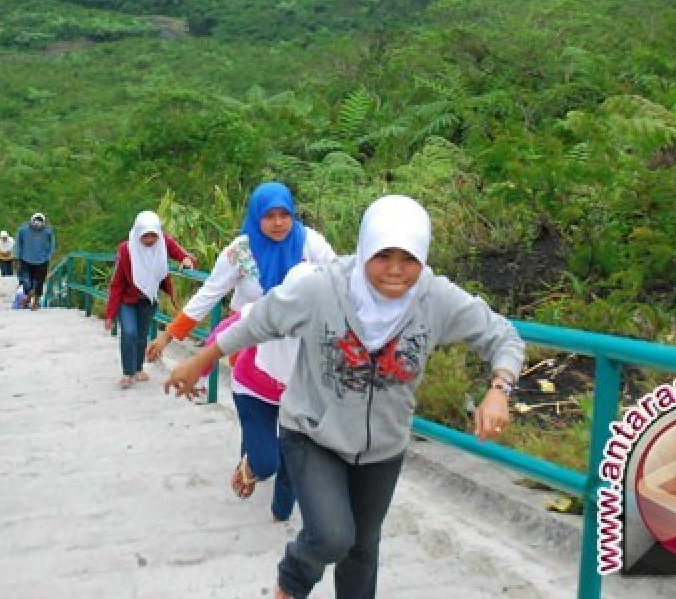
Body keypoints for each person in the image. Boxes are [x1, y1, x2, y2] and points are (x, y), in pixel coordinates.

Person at [164, 195, 524, 599]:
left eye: (407, 258)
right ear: (365, 248)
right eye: (382, 255)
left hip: (382, 448)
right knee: (332, 536)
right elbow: (260, 320)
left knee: (362, 549)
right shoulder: (321, 289)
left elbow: (503, 336)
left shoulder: (435, 298)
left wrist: (499, 390)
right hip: (312, 435)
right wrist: (202, 359)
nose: (394, 270)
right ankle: (291, 583)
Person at [146, 181, 334, 522]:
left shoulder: (310, 243)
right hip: (251, 346)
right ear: (256, 217)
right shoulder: (239, 252)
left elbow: (342, 282)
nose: (278, 223)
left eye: (284, 215)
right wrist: (168, 336)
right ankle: (255, 461)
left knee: (295, 441)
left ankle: (278, 500)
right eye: (269, 216)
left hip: (301, 353)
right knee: (265, 441)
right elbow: (208, 294)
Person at [104, 211, 195, 389]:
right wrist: (110, 314)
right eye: (145, 236)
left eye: (153, 235)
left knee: (141, 335)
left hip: (148, 299)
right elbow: (116, 284)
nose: (150, 240)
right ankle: (128, 373)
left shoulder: (164, 242)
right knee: (129, 333)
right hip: (127, 300)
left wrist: (185, 260)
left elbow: (182, 254)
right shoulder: (125, 249)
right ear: (138, 233)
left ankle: (138, 369)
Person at [15, 212, 55, 310]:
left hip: (42, 261)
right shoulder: (23, 230)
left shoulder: (48, 232)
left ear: (43, 222)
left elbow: (52, 245)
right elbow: (19, 244)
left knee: (39, 282)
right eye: (36, 220)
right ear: (31, 221)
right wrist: (17, 257)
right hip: (25, 259)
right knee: (26, 281)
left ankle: (36, 303)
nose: (38, 223)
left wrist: (48, 257)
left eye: (40, 221)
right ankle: (28, 297)